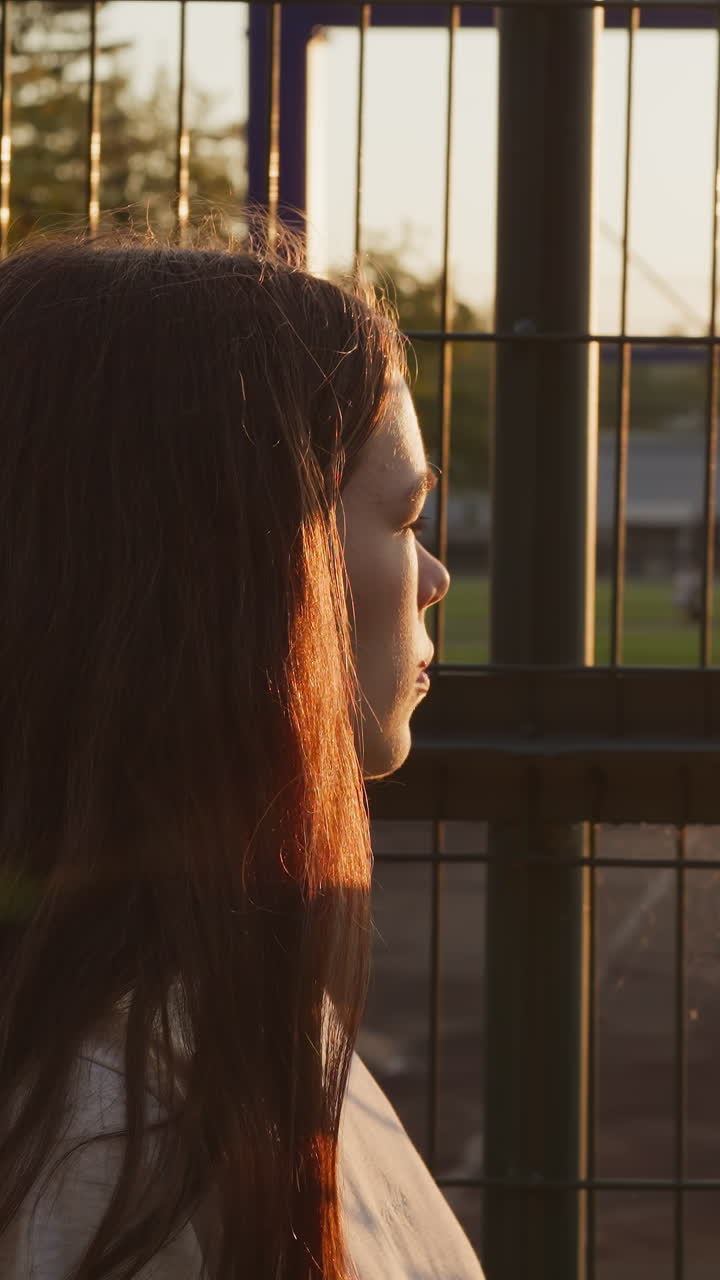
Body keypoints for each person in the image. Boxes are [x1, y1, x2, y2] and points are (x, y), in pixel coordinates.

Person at [0, 225, 486, 1280]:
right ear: (243, 569)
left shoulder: (191, 1016)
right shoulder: (102, 1129)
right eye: (404, 516)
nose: (435, 576)